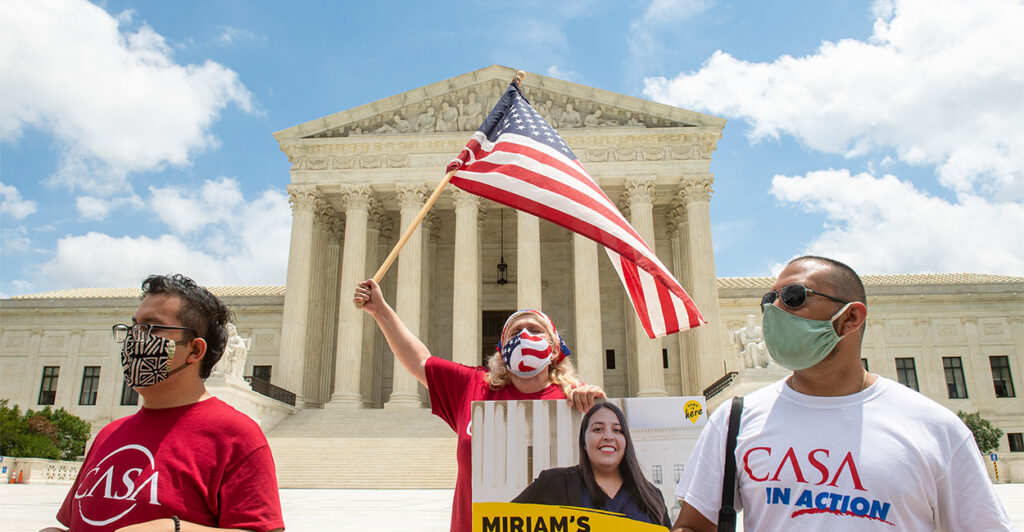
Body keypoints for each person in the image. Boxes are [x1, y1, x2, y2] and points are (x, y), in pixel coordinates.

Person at [672, 256, 1013, 532]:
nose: (774, 311)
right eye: (768, 300)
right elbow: (695, 525)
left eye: (793, 297)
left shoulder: (938, 428)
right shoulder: (736, 419)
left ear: (850, 317)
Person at [354, 278, 606, 532]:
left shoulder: (574, 400)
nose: (525, 336)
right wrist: (381, 310)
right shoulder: (474, 387)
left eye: (536, 330)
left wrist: (601, 410)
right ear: (502, 350)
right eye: (515, 333)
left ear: (554, 349)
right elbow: (420, 361)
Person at [45, 274, 284, 532]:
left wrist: (175, 529)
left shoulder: (236, 436)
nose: (135, 339)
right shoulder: (109, 434)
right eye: (134, 327)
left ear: (195, 350)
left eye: (152, 328)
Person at [513, 402, 670, 527]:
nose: (608, 436)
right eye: (598, 429)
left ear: (626, 441)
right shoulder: (552, 483)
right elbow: (501, 522)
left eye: (617, 430)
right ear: (583, 442)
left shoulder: (652, 496)